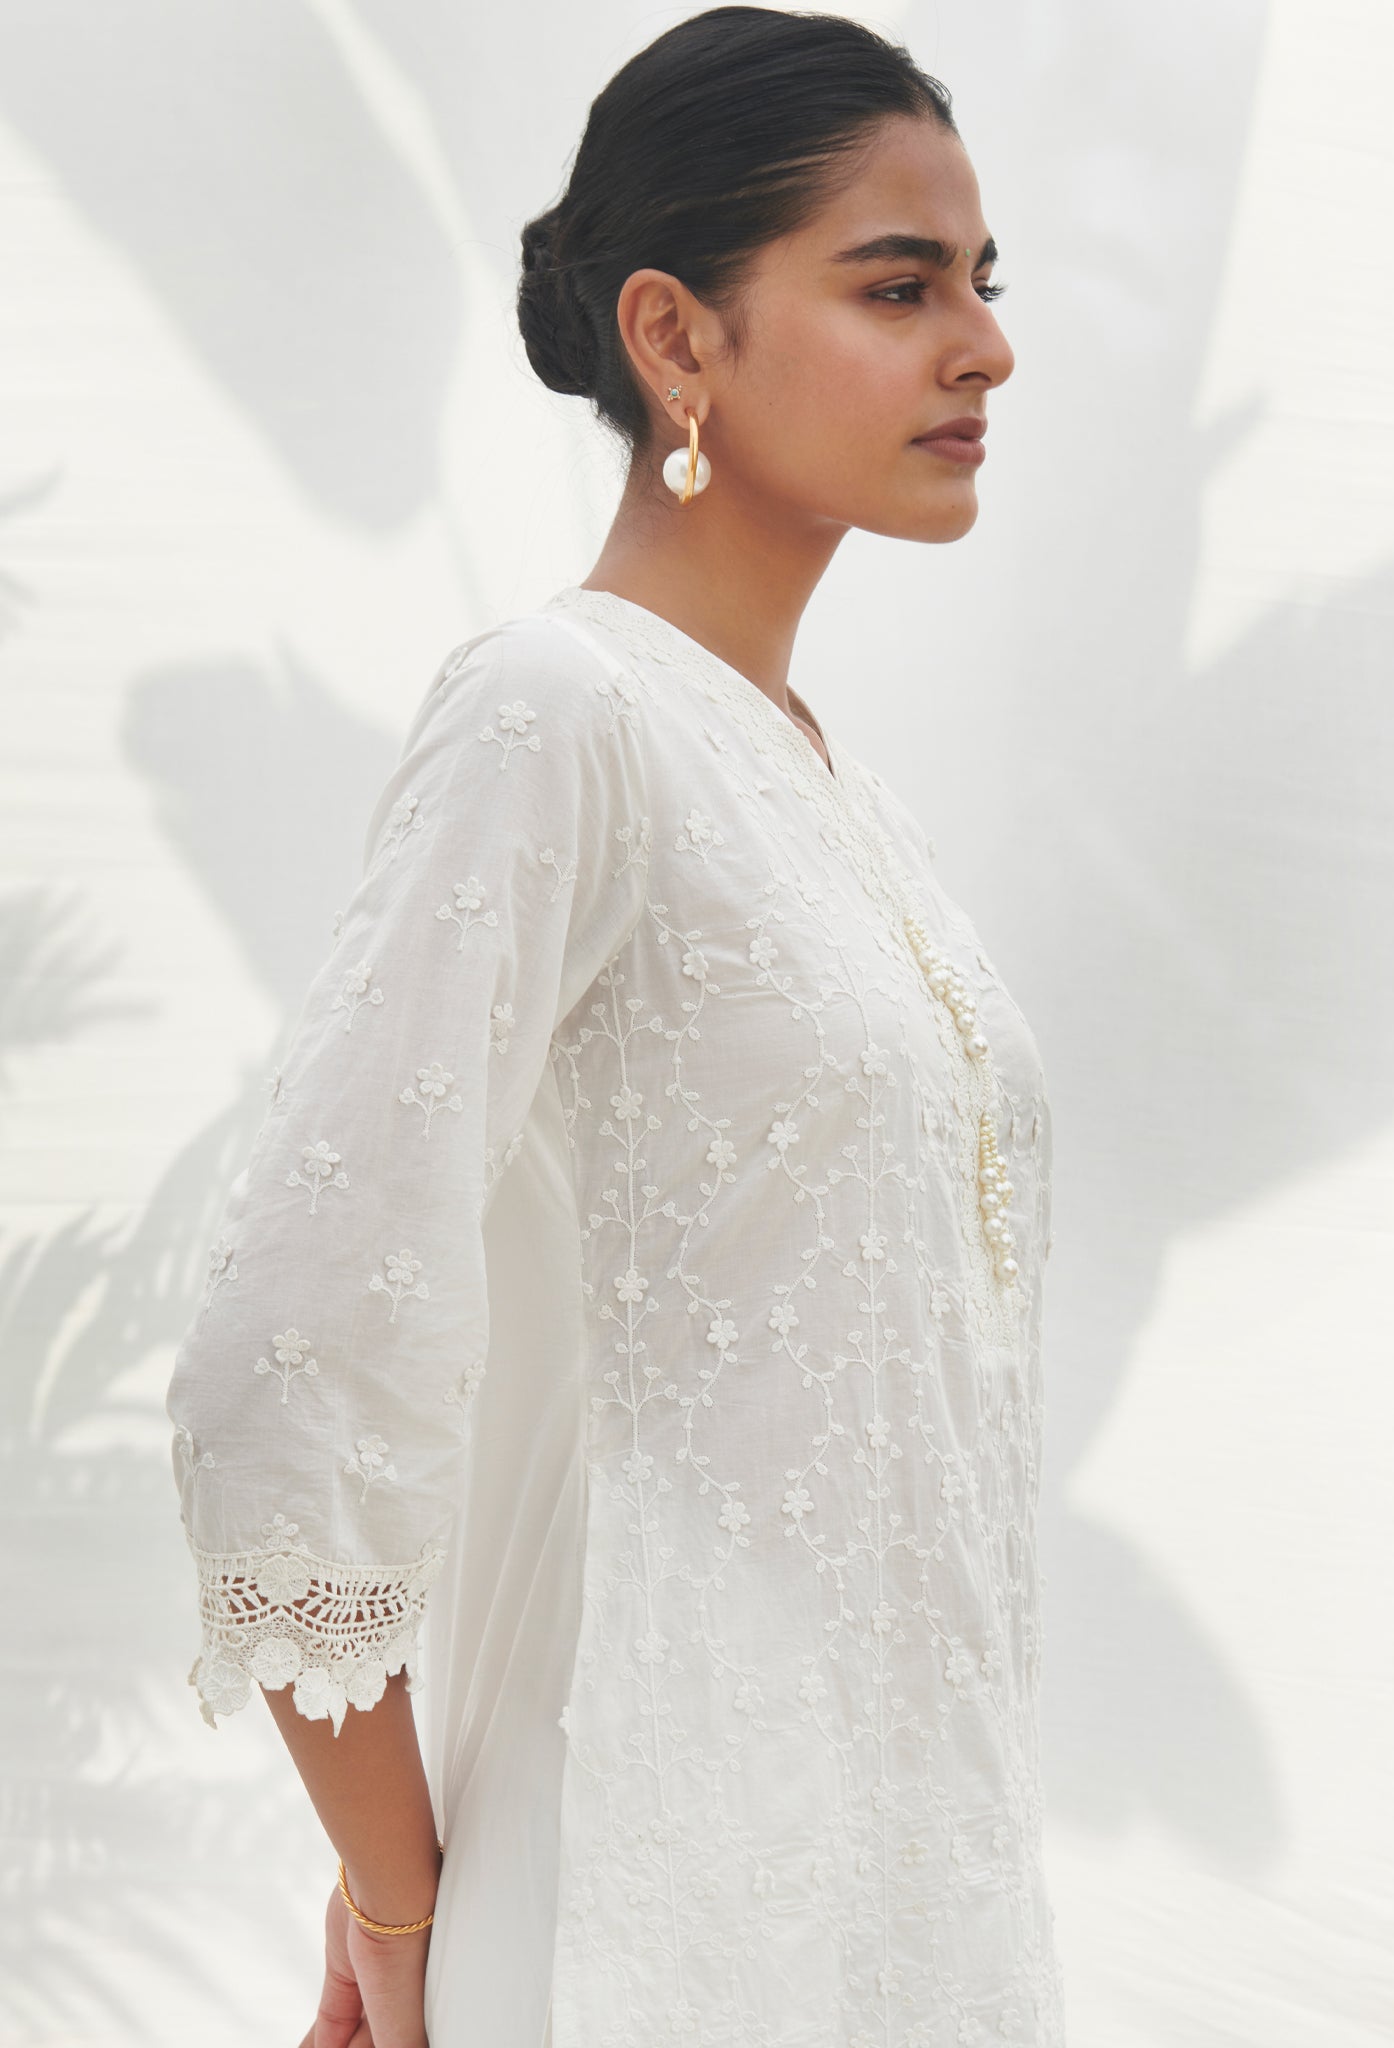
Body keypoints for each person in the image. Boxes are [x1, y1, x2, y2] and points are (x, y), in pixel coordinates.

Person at [164, 8, 1063, 2043]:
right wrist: (393, 1899)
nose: (985, 349)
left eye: (982, 284)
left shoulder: (838, 794)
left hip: (921, 1911)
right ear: (674, 337)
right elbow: (282, 1362)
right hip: (649, 1908)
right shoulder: (554, 713)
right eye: (899, 286)